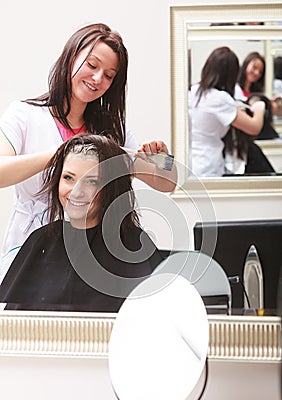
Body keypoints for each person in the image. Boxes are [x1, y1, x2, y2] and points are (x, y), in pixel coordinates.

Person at [0, 22, 177, 281]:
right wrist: (61, 153)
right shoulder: (24, 115)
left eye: (109, 75)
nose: (98, 79)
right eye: (92, 66)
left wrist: (163, 158)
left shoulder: (112, 129)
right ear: (71, 58)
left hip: (96, 253)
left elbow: (167, 183)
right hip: (33, 251)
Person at [0, 134, 164, 312]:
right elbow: (12, 326)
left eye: (92, 181)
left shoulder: (134, 244)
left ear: (111, 186)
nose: (76, 192)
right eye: (68, 178)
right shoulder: (41, 240)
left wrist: (164, 160)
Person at [188, 46, 265, 177]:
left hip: (191, 163)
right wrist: (260, 106)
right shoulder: (219, 98)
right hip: (209, 166)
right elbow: (254, 127)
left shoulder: (192, 91)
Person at [236, 51, 282, 117]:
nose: (256, 73)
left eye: (260, 72)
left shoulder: (259, 93)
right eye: (254, 67)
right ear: (246, 64)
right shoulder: (235, 89)